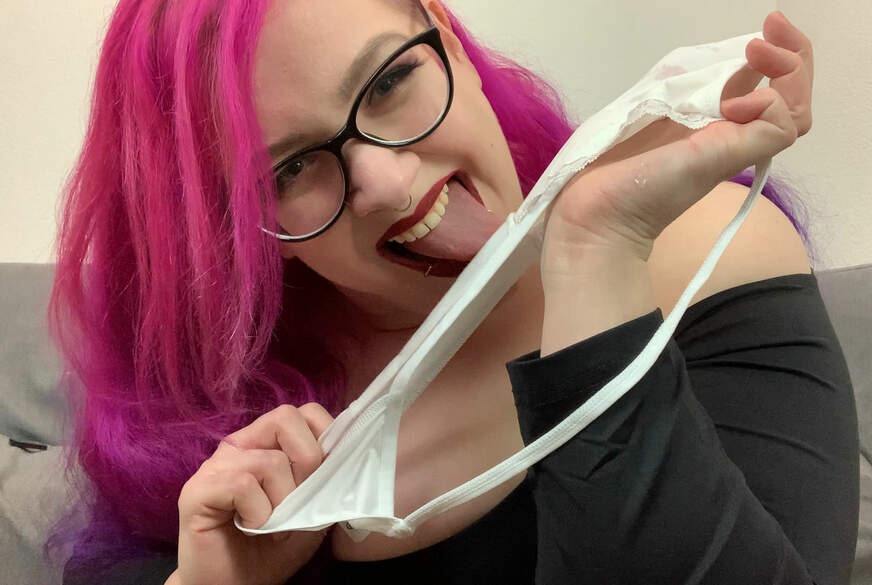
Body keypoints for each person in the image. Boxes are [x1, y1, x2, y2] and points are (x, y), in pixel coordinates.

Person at [49, 0, 857, 584]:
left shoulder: (707, 257)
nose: (388, 184)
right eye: (290, 170)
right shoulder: (228, 411)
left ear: (449, 41)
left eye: (391, 81)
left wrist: (596, 259)